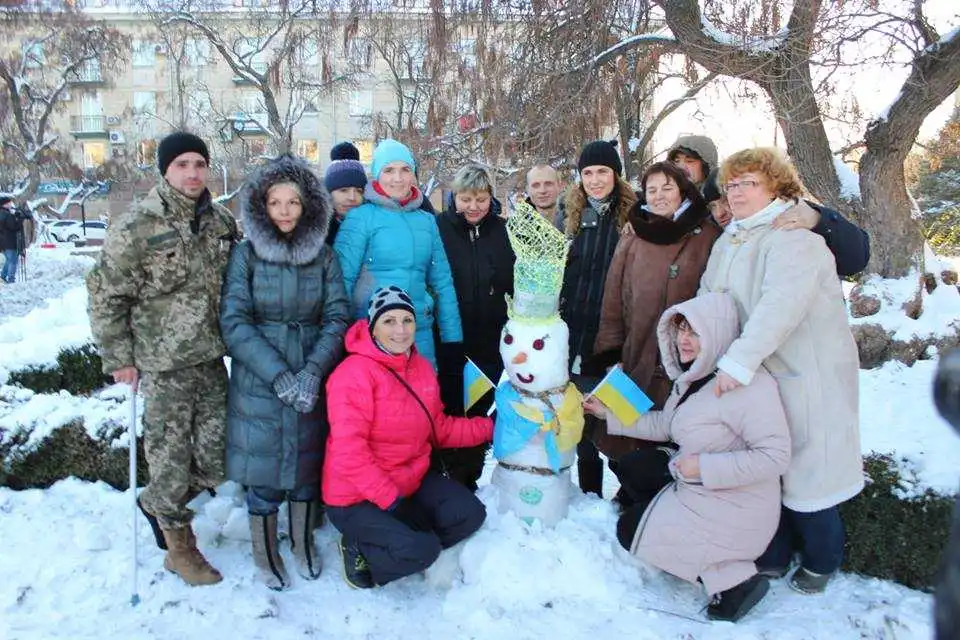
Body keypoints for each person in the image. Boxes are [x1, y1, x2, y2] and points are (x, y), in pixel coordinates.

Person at [700, 147, 863, 594]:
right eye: (730, 185)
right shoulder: (731, 239)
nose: (735, 192)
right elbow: (709, 297)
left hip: (803, 373)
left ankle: (822, 559)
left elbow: (779, 308)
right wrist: (694, 338)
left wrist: (737, 361)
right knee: (764, 468)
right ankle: (773, 551)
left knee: (809, 473)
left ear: (775, 186)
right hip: (756, 375)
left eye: (747, 182)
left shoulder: (794, 236)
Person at [86, 131, 239, 586]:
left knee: (217, 459)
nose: (192, 173)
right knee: (170, 460)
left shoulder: (221, 223)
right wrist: (119, 356)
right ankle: (180, 549)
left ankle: (156, 502)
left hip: (211, 358)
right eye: (182, 165)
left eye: (199, 163)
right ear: (165, 170)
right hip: (162, 364)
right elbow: (106, 295)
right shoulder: (137, 225)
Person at [583, 292, 791, 622]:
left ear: (717, 334)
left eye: (695, 332)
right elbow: (666, 424)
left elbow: (775, 457)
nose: (684, 340)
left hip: (736, 506)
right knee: (634, 468)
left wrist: (703, 467)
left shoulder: (749, 386)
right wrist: (608, 415)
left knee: (630, 530)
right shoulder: (694, 378)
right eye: (681, 330)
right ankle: (673, 529)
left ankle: (735, 582)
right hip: (700, 485)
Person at [219, 154, 350, 590]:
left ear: (308, 205)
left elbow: (337, 317)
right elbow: (235, 321)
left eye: (293, 202)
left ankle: (301, 544)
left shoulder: (324, 256)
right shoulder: (246, 256)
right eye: (276, 202)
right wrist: (277, 374)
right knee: (265, 470)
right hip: (260, 378)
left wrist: (313, 372)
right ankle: (265, 553)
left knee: (306, 466)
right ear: (262, 207)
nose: (285, 211)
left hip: (312, 369)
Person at [323, 286, 493, 588]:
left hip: (409, 480)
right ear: (373, 326)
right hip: (356, 496)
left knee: (470, 514)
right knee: (421, 549)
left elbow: (438, 428)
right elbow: (350, 454)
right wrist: (393, 503)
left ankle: (407, 541)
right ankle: (359, 545)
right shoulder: (353, 375)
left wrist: (491, 427)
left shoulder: (421, 368)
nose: (400, 330)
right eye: (389, 321)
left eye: (407, 320)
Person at [591, 162, 720, 489]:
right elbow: (613, 294)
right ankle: (628, 489)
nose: (659, 196)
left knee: (672, 429)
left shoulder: (706, 235)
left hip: (684, 354)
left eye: (667, 188)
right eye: (652, 190)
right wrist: (609, 349)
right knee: (625, 426)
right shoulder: (635, 232)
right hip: (636, 349)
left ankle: (667, 493)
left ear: (683, 191)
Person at [334, 138, 462, 370]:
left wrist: (452, 338)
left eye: (405, 170)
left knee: (421, 402)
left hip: (419, 333)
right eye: (389, 170)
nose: (397, 178)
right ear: (377, 175)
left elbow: (443, 282)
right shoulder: (360, 218)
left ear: (413, 174)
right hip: (372, 334)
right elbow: (341, 283)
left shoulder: (427, 221)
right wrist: (338, 339)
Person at [555, 139, 637, 498]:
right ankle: (590, 495)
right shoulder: (570, 214)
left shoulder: (634, 215)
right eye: (587, 173)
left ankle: (633, 487)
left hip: (614, 335)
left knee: (620, 416)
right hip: (574, 329)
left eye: (602, 171)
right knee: (583, 418)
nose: (595, 179)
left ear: (615, 174)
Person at [435, 164, 515, 491]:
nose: (473, 206)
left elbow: (515, 280)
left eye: (480, 199)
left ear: (490, 198)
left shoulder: (502, 230)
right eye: (466, 198)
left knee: (478, 406)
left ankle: (468, 477)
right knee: (450, 406)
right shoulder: (440, 227)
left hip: (488, 339)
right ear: (455, 197)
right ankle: (445, 473)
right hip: (450, 337)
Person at [701, 167, 870, 277]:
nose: (719, 213)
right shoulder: (717, 238)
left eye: (725, 201)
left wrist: (819, 220)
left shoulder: (792, 214)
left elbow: (856, 259)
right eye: (712, 206)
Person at [324, 141, 368, 246]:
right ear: (329, 193)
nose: (352, 198)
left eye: (359, 191)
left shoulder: (372, 227)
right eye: (343, 190)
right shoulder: (313, 233)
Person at [0, 196, 25, 284]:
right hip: (10, 241)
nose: (11, 204)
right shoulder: (7, 214)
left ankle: (2, 276)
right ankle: (11, 280)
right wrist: (20, 219)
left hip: (3, 242)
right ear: (5, 204)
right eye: (9, 203)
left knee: (9, 260)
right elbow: (14, 227)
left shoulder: (2, 213)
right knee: (13, 261)